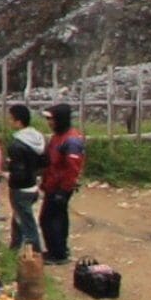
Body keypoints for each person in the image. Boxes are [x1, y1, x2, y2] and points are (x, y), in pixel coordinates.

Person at [45, 104, 86, 264]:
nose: (49, 122)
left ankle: (58, 254)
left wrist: (64, 190)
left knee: (50, 219)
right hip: (53, 184)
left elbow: (73, 168)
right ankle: (58, 249)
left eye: (51, 119)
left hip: (60, 187)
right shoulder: (58, 136)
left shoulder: (71, 140)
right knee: (57, 217)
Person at [5, 103, 48, 253]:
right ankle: (14, 247)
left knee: (27, 223)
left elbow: (18, 173)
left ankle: (36, 254)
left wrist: (6, 173)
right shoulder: (38, 138)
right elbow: (44, 162)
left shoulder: (16, 146)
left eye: (11, 119)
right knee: (19, 218)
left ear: (18, 122)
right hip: (33, 185)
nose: (9, 122)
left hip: (20, 189)